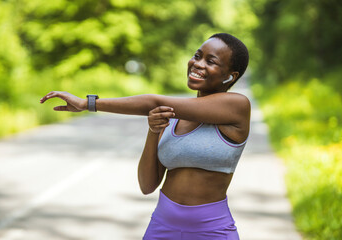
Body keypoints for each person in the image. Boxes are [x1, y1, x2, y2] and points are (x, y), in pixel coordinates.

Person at [40, 33, 250, 240]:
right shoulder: (172, 116)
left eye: (210, 61)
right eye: (197, 56)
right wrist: (154, 130)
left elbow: (152, 101)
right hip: (162, 227)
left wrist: (88, 104)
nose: (198, 64)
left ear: (230, 76)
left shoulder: (237, 106)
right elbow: (147, 185)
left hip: (211, 231)